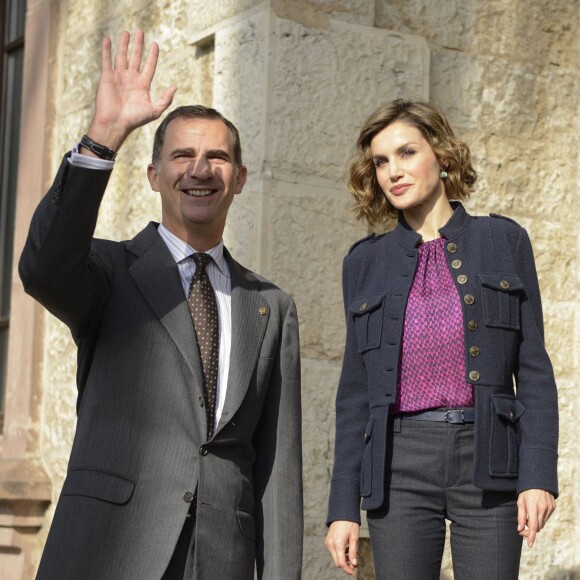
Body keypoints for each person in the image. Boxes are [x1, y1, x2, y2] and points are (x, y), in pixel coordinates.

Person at [19, 30, 302, 580]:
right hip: (111, 550)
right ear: (155, 175)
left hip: (221, 559)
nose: (200, 169)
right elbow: (43, 267)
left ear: (239, 179)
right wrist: (104, 137)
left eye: (217, 157)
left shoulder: (271, 307)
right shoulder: (110, 275)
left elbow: (276, 471)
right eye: (183, 156)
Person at [324, 99, 558, 579]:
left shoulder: (503, 240)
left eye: (407, 153)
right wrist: (342, 506)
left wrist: (538, 476)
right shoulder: (363, 263)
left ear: (444, 157)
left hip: (489, 455)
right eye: (382, 161)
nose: (393, 171)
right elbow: (354, 395)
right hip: (398, 463)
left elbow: (534, 369)